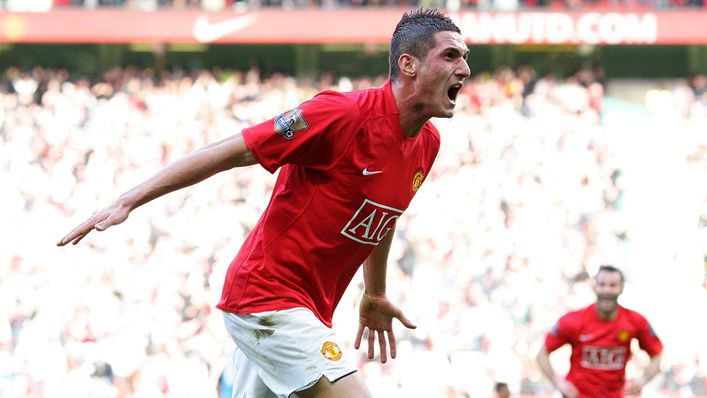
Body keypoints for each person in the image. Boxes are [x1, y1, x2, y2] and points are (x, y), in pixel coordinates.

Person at [57, 8, 471, 398]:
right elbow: (233, 150)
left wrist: (375, 293)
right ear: (408, 65)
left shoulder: (427, 143)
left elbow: (382, 214)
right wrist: (129, 200)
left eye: (465, 57)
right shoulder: (341, 115)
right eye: (450, 55)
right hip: (267, 300)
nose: (465, 69)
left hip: (305, 311)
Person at [536, 265, 663, 398]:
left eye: (613, 285)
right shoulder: (573, 320)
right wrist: (559, 383)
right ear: (594, 287)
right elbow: (542, 354)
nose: (607, 290)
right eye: (602, 284)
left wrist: (643, 379)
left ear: (621, 289)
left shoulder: (635, 321)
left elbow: (657, 352)